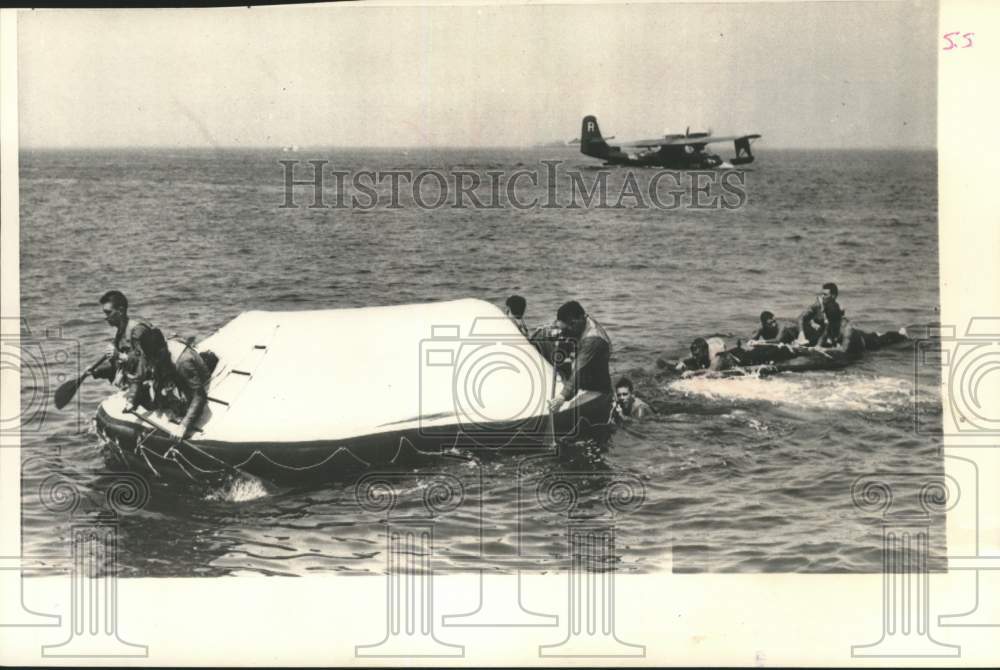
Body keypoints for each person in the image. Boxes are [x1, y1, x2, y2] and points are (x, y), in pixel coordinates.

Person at [125, 327, 210, 442]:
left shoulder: (183, 361)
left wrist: (184, 426)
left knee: (183, 407)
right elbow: (138, 377)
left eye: (154, 358)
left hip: (188, 376)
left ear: (162, 350)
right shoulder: (149, 352)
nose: (150, 361)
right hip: (170, 373)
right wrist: (131, 399)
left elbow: (199, 395)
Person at [547, 301, 612, 416]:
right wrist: (556, 332)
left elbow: (579, 369)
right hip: (583, 378)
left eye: (568, 328)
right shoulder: (582, 321)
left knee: (569, 411)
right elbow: (559, 326)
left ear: (577, 321)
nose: (567, 332)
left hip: (597, 390)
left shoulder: (593, 339)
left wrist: (561, 397)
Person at [90, 290, 154, 389]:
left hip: (151, 386)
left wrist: (119, 355)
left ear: (120, 311)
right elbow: (117, 367)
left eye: (108, 313)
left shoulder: (138, 330)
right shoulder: (120, 334)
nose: (106, 318)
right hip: (134, 386)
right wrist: (96, 371)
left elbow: (144, 364)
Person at [797, 282, 845, 347]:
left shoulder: (836, 308)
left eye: (825, 295)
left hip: (825, 335)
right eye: (822, 294)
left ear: (833, 296)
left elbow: (835, 325)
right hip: (815, 333)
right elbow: (801, 317)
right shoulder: (817, 305)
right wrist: (801, 335)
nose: (822, 296)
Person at [674, 337, 740, 373]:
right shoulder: (696, 351)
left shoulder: (714, 355)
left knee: (727, 359)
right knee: (694, 358)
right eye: (694, 354)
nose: (695, 357)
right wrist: (681, 363)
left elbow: (710, 371)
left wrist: (692, 372)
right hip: (710, 342)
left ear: (705, 351)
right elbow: (685, 359)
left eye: (697, 355)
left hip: (720, 345)